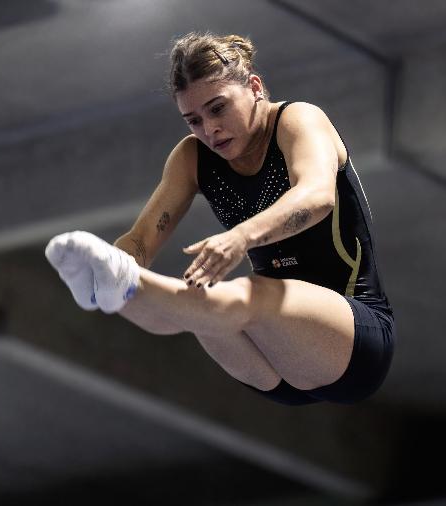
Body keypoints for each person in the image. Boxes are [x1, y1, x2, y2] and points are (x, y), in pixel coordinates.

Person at [45, 32, 395, 405]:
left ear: (255, 87)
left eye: (217, 108)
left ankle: (120, 285)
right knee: (200, 308)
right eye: (193, 119)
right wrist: (120, 257)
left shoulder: (297, 120)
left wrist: (241, 237)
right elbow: (142, 239)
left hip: (355, 342)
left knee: (247, 295)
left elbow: (318, 195)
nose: (209, 129)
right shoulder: (192, 158)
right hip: (275, 366)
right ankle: (113, 290)